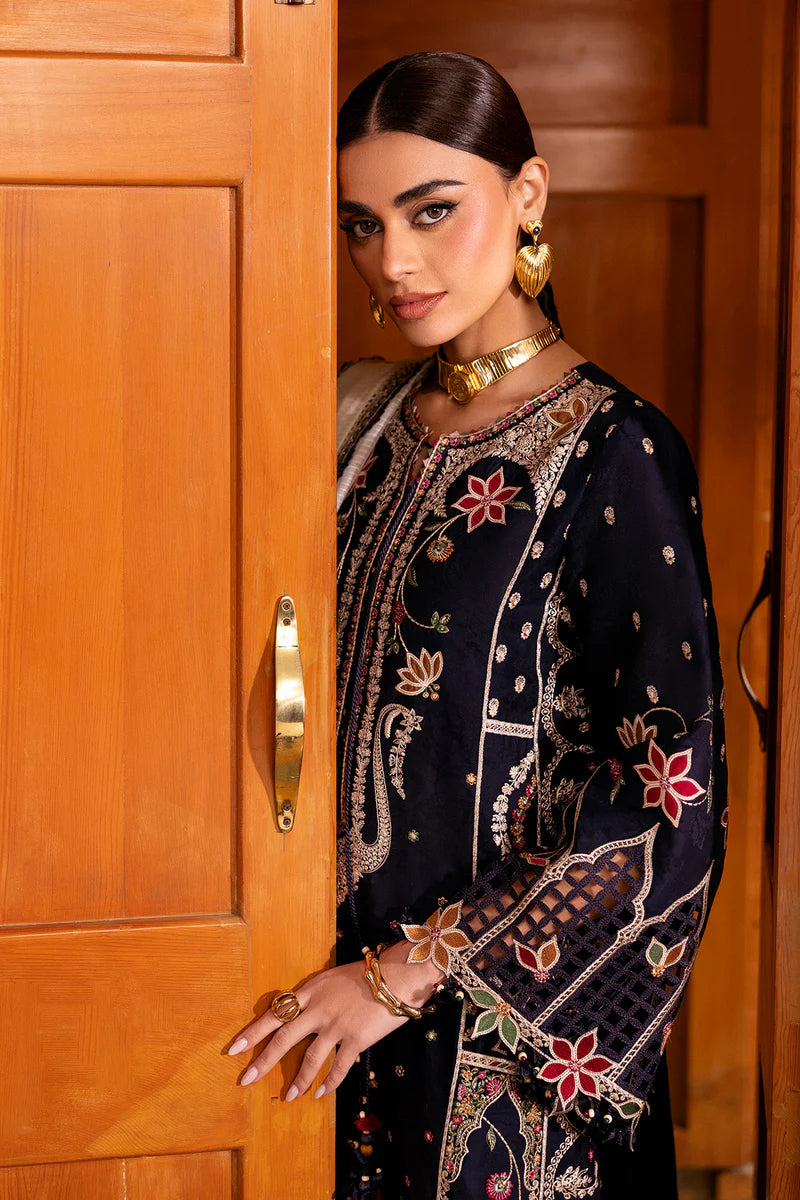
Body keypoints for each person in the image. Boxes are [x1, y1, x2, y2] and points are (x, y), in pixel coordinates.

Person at [227, 51, 728, 1200]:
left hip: (496, 1046)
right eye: (361, 224)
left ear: (527, 195)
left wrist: (404, 975)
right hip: (316, 1004)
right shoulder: (360, 417)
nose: (392, 262)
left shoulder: (612, 452)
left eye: (431, 211)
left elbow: (665, 800)